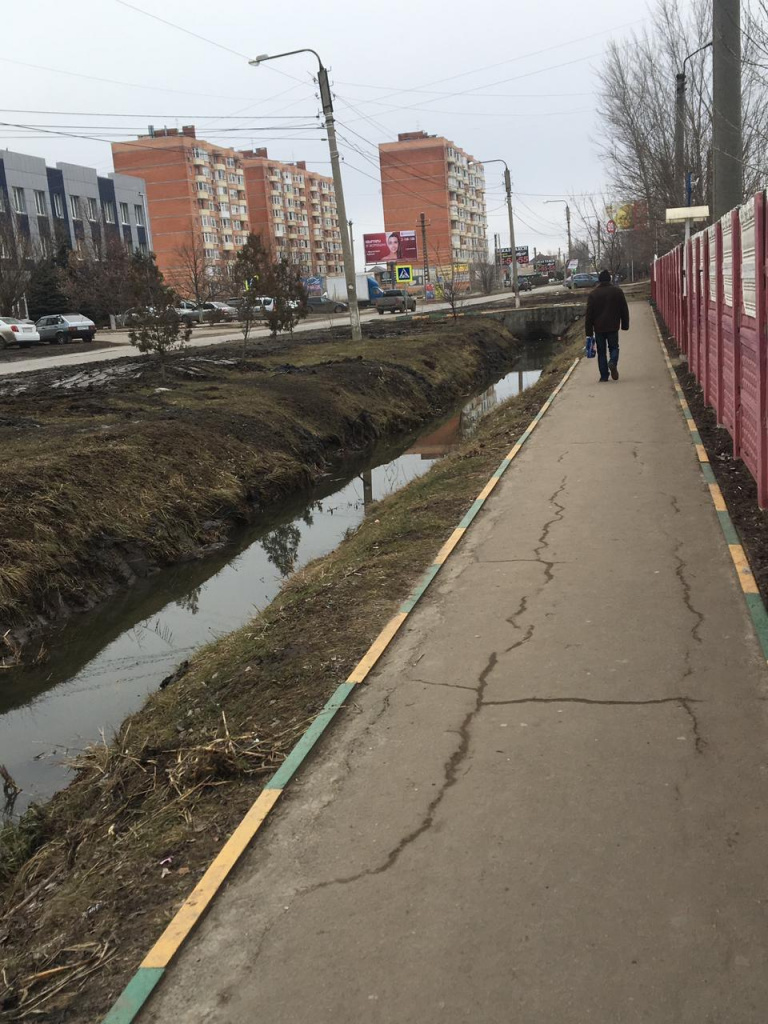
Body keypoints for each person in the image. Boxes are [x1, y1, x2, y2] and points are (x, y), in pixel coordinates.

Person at [585, 269, 630, 382]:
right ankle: (613, 362)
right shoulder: (617, 292)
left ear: (599, 280)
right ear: (609, 279)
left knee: (601, 352)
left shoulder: (593, 294)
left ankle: (604, 376)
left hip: (599, 328)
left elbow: (589, 315)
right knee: (614, 347)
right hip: (613, 326)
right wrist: (625, 324)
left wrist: (589, 332)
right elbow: (624, 309)